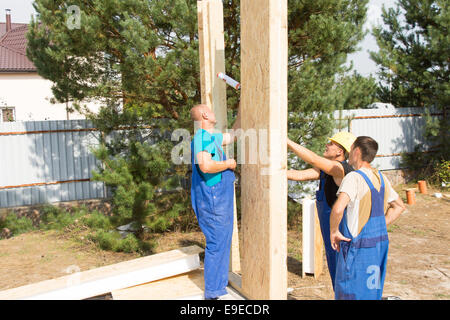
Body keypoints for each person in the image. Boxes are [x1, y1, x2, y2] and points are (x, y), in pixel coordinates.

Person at [330, 136, 405, 300]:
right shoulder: (382, 178)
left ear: (357, 151)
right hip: (378, 247)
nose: (349, 154)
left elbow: (337, 209)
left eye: (351, 150)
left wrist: (334, 231)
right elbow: (399, 206)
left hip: (357, 248)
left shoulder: (353, 178)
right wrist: (380, 225)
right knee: (371, 292)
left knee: (350, 293)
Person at [287, 132, 356, 288]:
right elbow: (301, 174)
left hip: (341, 231)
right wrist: (273, 172)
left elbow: (312, 159)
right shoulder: (326, 171)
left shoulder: (341, 169)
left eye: (331, 144)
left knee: (344, 273)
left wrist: (287, 141)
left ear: (340, 151)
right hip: (330, 232)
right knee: (335, 271)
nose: (327, 144)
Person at [190, 103, 240, 300]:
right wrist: (228, 163)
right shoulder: (202, 138)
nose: (213, 111)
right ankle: (213, 293)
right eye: (210, 110)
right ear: (204, 115)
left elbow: (235, 133)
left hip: (217, 197)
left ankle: (217, 288)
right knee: (217, 243)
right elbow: (206, 165)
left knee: (222, 241)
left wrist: (243, 101)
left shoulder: (211, 137)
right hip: (213, 198)